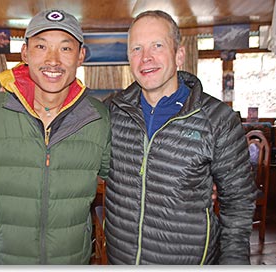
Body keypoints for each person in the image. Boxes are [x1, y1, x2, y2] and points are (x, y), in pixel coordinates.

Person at [0, 9, 111, 265]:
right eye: (41, 46)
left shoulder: (98, 118)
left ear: (81, 56)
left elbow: (122, 183)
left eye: (65, 49)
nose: (53, 60)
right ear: (25, 53)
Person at [105, 10, 257, 265]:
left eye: (157, 45)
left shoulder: (219, 120)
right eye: (137, 49)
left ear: (179, 55)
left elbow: (238, 206)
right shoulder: (113, 111)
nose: (146, 58)